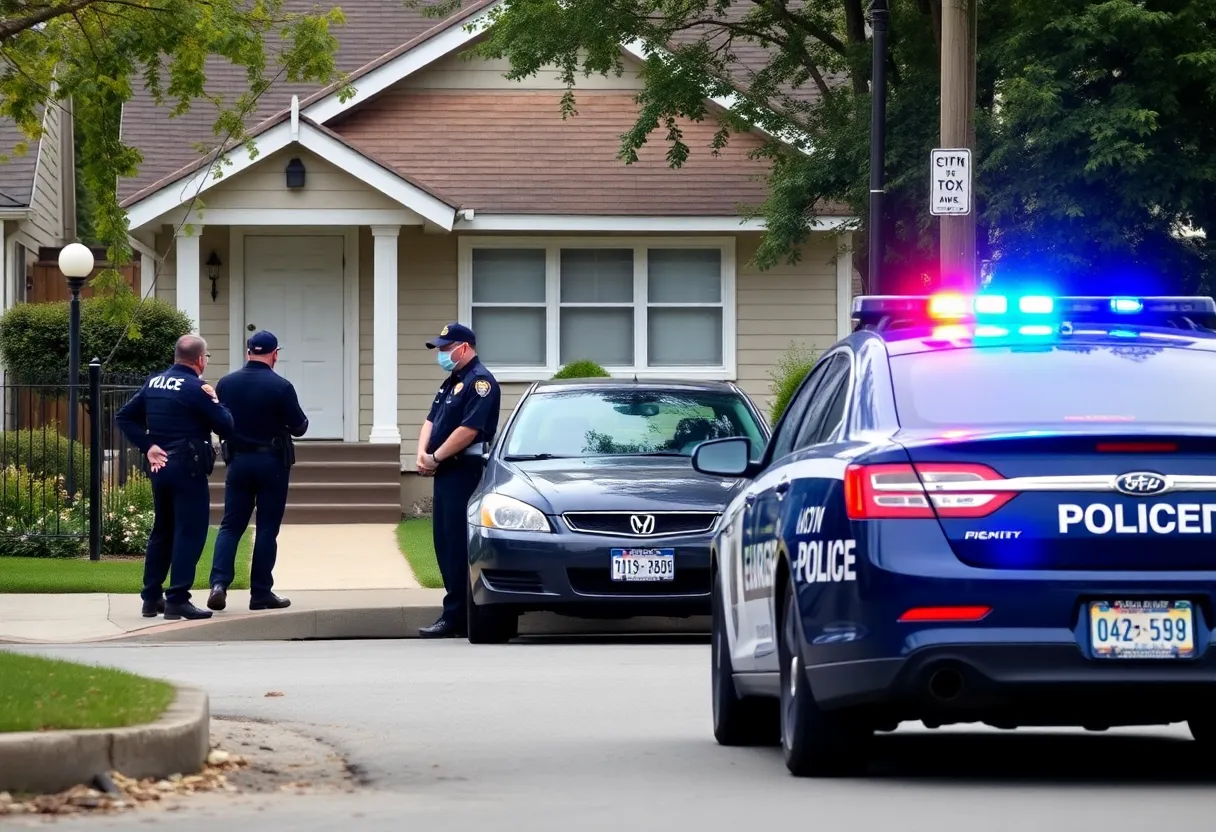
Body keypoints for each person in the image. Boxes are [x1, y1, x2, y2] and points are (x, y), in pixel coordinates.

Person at [116, 334, 234, 621]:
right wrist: (216, 400)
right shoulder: (197, 387)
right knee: (189, 532)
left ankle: (150, 597)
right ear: (199, 359)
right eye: (206, 357)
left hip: (160, 467)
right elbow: (226, 425)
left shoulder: (154, 382)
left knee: (163, 530)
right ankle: (178, 599)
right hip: (188, 467)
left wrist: (149, 447)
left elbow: (124, 417)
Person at [206, 331, 308, 613]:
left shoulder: (226, 383)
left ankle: (218, 584)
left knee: (230, 525)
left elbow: (219, 422)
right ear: (275, 354)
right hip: (272, 463)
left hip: (237, 462)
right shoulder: (281, 386)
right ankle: (260, 593)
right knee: (266, 528)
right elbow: (300, 427)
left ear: (248, 351)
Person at [417, 322, 501, 638]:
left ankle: (457, 615)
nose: (441, 353)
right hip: (445, 470)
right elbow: (430, 420)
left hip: (464, 471)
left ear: (463, 348)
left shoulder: (481, 383)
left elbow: (467, 431)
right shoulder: (452, 382)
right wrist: (422, 454)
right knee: (444, 541)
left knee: (456, 544)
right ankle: (453, 610)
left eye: (445, 348)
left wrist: (435, 457)